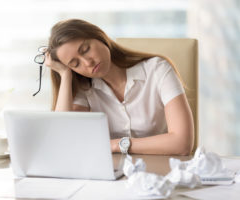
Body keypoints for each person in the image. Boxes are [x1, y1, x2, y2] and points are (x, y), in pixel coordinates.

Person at [43, 19, 194, 155]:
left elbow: (182, 143)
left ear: (99, 36)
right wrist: (65, 74)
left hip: (161, 170)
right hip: (111, 175)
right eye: (75, 64)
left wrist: (115, 145)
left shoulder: (157, 69)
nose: (87, 62)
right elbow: (62, 139)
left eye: (85, 49)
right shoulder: (84, 89)